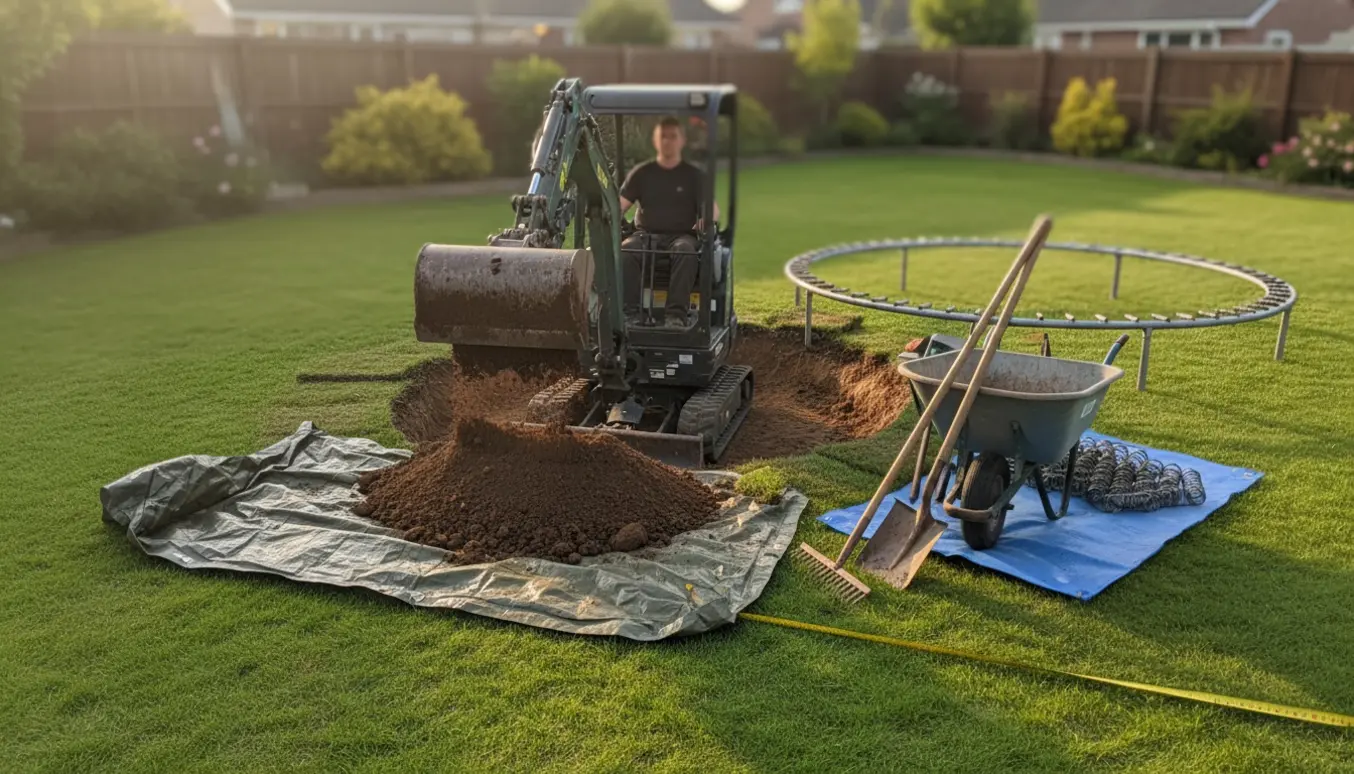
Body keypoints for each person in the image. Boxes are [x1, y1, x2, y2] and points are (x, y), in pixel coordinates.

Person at [618, 116, 720, 328]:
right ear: (655, 141)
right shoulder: (641, 173)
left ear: (682, 141)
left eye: (673, 136)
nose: (667, 141)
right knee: (626, 249)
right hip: (645, 236)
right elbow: (620, 205)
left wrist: (707, 218)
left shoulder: (694, 176)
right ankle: (629, 314)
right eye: (663, 136)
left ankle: (676, 315)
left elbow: (712, 208)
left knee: (686, 251)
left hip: (682, 236)